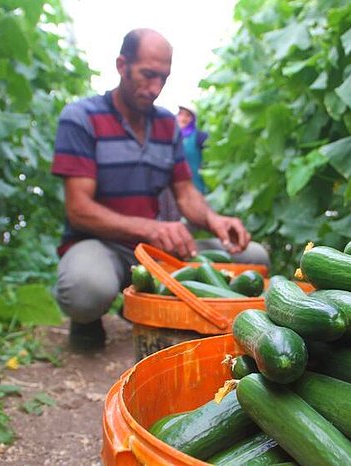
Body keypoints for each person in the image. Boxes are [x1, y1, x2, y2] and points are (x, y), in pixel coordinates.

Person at [50, 28, 268, 352]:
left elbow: (186, 194)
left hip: (156, 253)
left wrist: (215, 221)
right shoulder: (82, 118)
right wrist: (151, 228)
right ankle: (88, 320)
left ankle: (142, 304)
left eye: (163, 78)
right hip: (101, 246)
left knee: (253, 256)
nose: (155, 88)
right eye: (147, 75)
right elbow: (78, 209)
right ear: (122, 65)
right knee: (85, 290)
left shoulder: (167, 125)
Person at [176, 104, 207, 193]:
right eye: (181, 114)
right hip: (177, 188)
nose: (183, 118)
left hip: (197, 185)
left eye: (187, 115)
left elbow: (209, 160)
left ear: (193, 119)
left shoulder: (200, 137)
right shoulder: (172, 137)